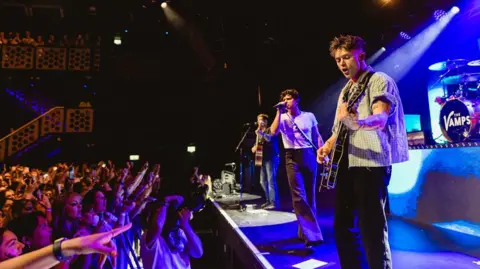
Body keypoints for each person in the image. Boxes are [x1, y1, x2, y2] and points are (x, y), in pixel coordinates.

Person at [318, 35, 409, 269]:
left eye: (346, 57)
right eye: (338, 59)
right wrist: (326, 147)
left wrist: (358, 123)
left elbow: (380, 117)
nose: (341, 63)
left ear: (361, 55)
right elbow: (339, 129)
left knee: (372, 228)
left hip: (372, 163)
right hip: (349, 164)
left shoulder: (379, 80)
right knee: (342, 227)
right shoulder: (346, 91)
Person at [270, 89, 324, 248]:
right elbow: (273, 132)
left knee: (310, 196)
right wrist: (278, 112)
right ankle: (313, 236)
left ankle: (305, 232)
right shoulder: (282, 117)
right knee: (298, 196)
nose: (286, 102)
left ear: (297, 100)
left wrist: (323, 153)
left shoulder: (309, 116)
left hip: (308, 154)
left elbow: (317, 136)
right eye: (284, 100)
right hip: (291, 156)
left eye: (288, 99)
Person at [251, 113, 280, 209]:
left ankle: (274, 202)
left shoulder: (270, 129)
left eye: (261, 120)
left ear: (265, 121)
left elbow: (269, 139)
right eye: (258, 120)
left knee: (271, 180)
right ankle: (268, 200)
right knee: (262, 181)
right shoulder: (258, 132)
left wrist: (261, 133)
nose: (259, 122)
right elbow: (258, 144)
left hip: (271, 157)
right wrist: (254, 147)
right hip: (262, 158)